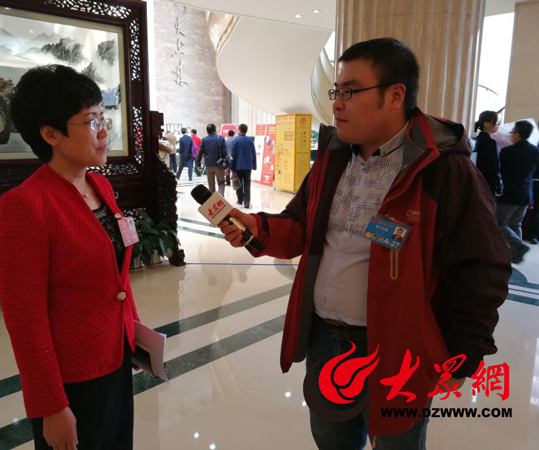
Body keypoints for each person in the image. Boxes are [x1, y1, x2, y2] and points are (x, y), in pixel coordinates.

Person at [218, 38, 511, 449]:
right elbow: (301, 226)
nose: (337, 104)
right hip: (326, 341)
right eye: (336, 92)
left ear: (395, 96)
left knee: (397, 443)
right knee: (331, 440)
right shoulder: (333, 158)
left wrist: (464, 351)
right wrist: (258, 228)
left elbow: (481, 267)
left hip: (399, 348)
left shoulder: (442, 168)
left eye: (351, 92)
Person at [0, 65, 139, 450]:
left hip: (116, 359)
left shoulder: (100, 185)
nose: (104, 132)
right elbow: (25, 320)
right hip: (72, 380)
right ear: (50, 134)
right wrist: (51, 405)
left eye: (103, 118)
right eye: (91, 121)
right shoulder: (25, 205)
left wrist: (135, 334)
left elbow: (117, 277)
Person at [496, 120, 539, 262]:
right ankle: (516, 254)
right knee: (516, 224)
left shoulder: (507, 151)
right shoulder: (536, 151)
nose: (511, 135)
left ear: (517, 135)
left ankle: (517, 245)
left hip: (509, 194)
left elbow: (500, 172)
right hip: (526, 194)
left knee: (500, 222)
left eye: (512, 132)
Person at [473, 110, 503, 197]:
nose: (498, 125)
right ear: (486, 124)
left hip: (475, 180)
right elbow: (494, 166)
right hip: (487, 183)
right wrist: (498, 184)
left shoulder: (475, 140)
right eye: (496, 122)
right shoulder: (490, 142)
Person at [230, 123, 257, 208]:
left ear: (240, 131)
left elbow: (233, 155)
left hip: (237, 166)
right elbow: (253, 154)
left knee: (238, 183)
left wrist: (231, 165)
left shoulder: (235, 140)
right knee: (247, 183)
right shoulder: (250, 141)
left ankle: (240, 200)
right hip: (248, 166)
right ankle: (247, 202)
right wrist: (254, 165)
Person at [197, 123, 228, 195]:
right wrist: (227, 164)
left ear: (207, 131)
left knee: (211, 185)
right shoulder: (220, 138)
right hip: (219, 165)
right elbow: (225, 153)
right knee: (221, 182)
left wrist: (198, 164)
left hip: (209, 165)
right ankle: (220, 197)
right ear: (215, 130)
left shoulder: (204, 140)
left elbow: (200, 152)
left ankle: (213, 199)